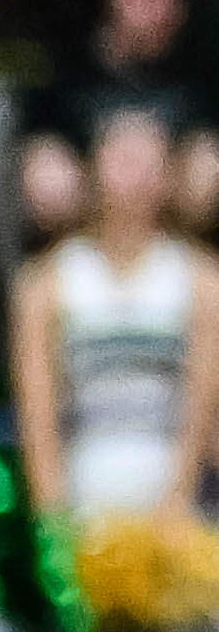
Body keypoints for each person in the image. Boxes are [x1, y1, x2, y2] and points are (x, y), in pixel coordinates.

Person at [19, 107, 213, 529]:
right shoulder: (45, 283)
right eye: (121, 155)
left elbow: (201, 403)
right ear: (92, 167)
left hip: (175, 511)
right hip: (83, 498)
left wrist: (178, 503)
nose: (134, 171)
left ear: (168, 176)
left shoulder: (201, 281)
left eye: (148, 159)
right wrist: (52, 518)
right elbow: (39, 413)